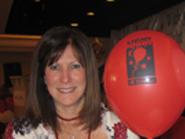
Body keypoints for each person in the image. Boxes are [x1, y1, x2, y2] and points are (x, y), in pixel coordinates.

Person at [5, 26, 139, 139]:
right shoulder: (22, 133)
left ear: (88, 73)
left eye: (75, 66)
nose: (65, 78)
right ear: (43, 77)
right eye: (55, 67)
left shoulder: (123, 129)